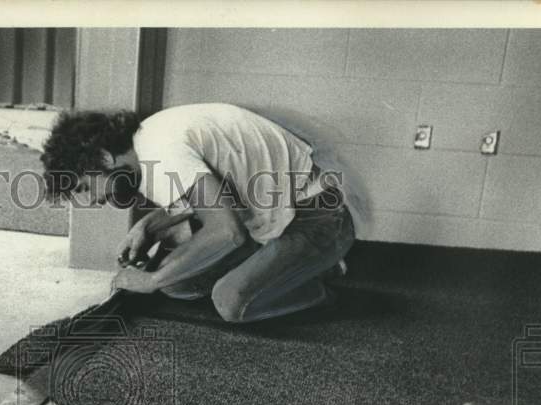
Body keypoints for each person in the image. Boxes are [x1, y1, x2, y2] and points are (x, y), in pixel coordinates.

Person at [40, 103, 355, 322]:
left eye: (84, 188)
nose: (91, 201)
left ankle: (319, 282)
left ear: (105, 159)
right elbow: (201, 198)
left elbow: (227, 232)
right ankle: (283, 267)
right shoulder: (147, 143)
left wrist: (149, 281)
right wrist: (147, 227)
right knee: (178, 283)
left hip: (317, 217)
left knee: (230, 302)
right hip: (270, 218)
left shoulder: (163, 152)